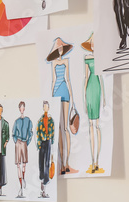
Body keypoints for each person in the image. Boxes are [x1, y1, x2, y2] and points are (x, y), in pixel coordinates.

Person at [47, 37, 74, 175]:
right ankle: (62, 163)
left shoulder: (66, 61)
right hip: (56, 92)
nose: (61, 51)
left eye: (62, 48)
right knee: (59, 128)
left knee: (65, 128)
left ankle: (66, 162)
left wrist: (73, 99)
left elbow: (68, 79)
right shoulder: (53, 64)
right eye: (58, 48)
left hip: (65, 91)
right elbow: (53, 80)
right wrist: (51, 98)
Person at [82, 34, 105, 174]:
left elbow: (101, 77)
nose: (93, 45)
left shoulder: (101, 57)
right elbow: (85, 77)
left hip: (97, 87)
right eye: (92, 43)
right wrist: (84, 97)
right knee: (91, 125)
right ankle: (92, 161)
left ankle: (97, 160)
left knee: (96, 125)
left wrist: (104, 99)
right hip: (90, 86)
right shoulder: (87, 58)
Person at [12, 101, 33, 198]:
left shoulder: (28, 120)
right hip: (18, 142)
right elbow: (13, 133)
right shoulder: (16, 121)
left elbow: (30, 132)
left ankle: (23, 178)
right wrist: (16, 141)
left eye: (23, 107)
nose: (22, 109)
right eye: (20, 107)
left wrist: (27, 142)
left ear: (24, 108)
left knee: (24, 163)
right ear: (19, 108)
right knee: (18, 165)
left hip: (24, 142)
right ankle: (20, 186)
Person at [36, 100, 54, 199]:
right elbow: (37, 133)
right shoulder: (40, 120)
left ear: (49, 107)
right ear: (43, 108)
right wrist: (38, 144)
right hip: (42, 143)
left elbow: (53, 132)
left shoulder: (51, 120)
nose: (46, 108)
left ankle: (45, 185)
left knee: (47, 163)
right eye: (44, 106)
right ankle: (42, 184)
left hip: (48, 142)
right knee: (41, 163)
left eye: (47, 106)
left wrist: (52, 143)